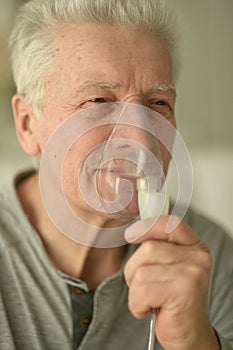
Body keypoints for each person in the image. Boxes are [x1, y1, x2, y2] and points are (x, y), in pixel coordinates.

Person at [0, 0, 232, 349]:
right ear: (28, 124)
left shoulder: (208, 254)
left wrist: (196, 341)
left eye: (158, 104)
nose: (140, 138)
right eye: (98, 101)